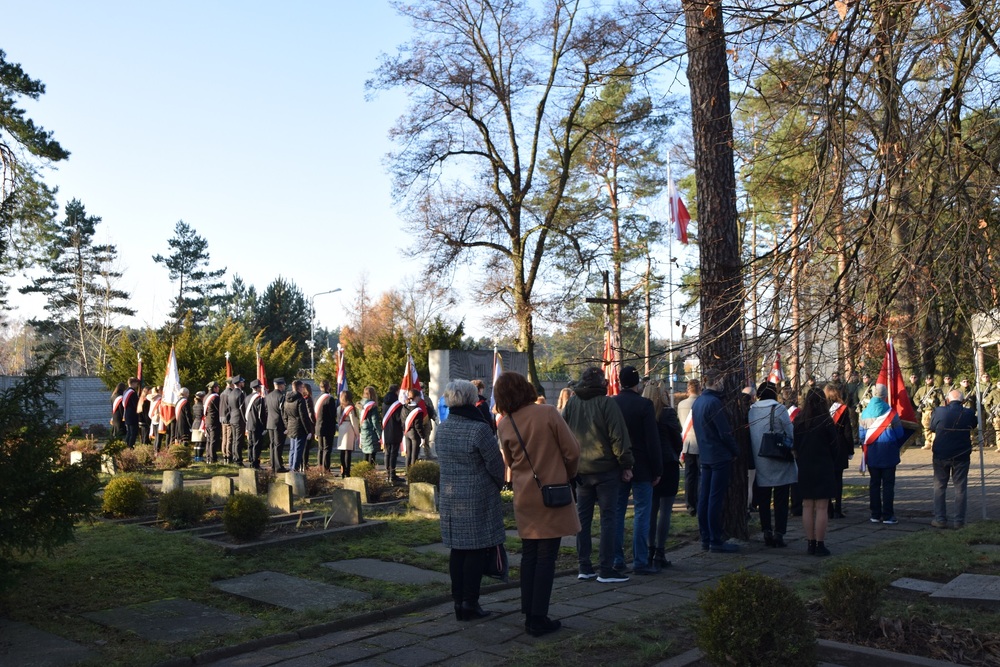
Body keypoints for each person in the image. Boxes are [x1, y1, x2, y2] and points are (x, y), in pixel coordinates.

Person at [495, 372, 580, 637]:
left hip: (525, 495)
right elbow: (573, 451)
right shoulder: (548, 413)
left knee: (530, 555)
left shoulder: (505, 424)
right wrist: (566, 473)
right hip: (551, 492)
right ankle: (538, 617)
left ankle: (529, 612)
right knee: (547, 558)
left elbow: (509, 462)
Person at [437, 380, 507, 623]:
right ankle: (470, 602)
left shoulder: (442, 429)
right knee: (476, 551)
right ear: (471, 398)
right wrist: (499, 485)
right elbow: (496, 465)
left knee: (458, 551)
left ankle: (458, 602)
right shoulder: (479, 429)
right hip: (478, 496)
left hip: (450, 496)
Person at [561, 366, 633, 583]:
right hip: (605, 470)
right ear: (601, 382)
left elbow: (564, 433)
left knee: (582, 520)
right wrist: (626, 464)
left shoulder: (572, 402)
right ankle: (606, 568)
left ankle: (584, 567)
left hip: (581, 471)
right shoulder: (606, 403)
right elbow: (618, 436)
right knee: (608, 519)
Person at [611, 366, 663, 575]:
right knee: (642, 513)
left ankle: (617, 559)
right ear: (637, 383)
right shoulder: (644, 405)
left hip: (618, 464)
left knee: (617, 513)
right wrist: (657, 469)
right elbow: (652, 439)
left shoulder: (612, 403)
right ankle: (640, 561)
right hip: (642, 465)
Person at [692, 368, 740, 553]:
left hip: (705, 453)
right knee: (714, 498)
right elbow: (724, 432)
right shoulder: (714, 403)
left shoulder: (699, 402)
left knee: (705, 497)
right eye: (721, 380)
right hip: (719, 454)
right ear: (716, 381)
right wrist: (735, 450)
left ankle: (706, 536)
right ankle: (715, 539)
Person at [747, 381, 796, 548]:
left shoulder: (751, 411)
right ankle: (779, 533)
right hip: (779, 458)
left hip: (760, 459)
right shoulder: (780, 409)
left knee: (764, 499)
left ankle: (766, 530)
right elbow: (790, 432)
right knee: (781, 498)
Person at [793, 388, 838, 556]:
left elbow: (795, 446)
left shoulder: (799, 421)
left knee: (806, 505)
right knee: (821, 507)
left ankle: (810, 543)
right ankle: (820, 543)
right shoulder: (826, 421)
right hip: (823, 465)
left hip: (805, 466)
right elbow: (835, 446)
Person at [642, 380, 682, 568]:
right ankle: (660, 551)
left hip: (649, 465)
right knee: (666, 510)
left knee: (651, 509)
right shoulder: (667, 414)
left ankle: (649, 550)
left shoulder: (644, 413)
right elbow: (677, 438)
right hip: (668, 463)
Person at [859, 383, 906, 525]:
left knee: (874, 484)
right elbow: (899, 434)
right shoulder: (891, 413)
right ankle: (888, 515)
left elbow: (861, 437)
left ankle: (874, 514)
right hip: (889, 454)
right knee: (888, 485)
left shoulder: (864, 413)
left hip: (872, 453)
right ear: (885, 396)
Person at [929, 389, 977, 529]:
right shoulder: (968, 413)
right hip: (961, 455)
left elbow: (932, 427)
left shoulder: (939, 411)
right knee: (960, 488)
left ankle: (940, 519)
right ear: (962, 401)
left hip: (941, 454)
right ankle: (959, 521)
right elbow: (973, 425)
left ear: (947, 400)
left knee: (939, 487)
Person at [825, 383, 854, 519]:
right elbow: (848, 431)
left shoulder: (823, 409)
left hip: (826, 446)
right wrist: (850, 450)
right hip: (840, 445)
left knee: (828, 478)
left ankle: (828, 508)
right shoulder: (842, 409)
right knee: (838, 479)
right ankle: (838, 508)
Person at [677, 379, 701, 516]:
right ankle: (698, 502)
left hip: (687, 443)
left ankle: (689, 503)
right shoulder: (702, 402)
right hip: (700, 444)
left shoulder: (681, 404)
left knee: (689, 476)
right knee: (700, 476)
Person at [284, 380, 314, 473]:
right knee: (298, 450)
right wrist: (309, 430)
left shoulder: (287, 399)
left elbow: (285, 415)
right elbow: (303, 416)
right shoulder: (300, 400)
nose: (303, 389)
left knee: (292, 449)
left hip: (291, 426)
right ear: (299, 388)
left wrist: (287, 426)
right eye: (302, 388)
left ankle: (291, 466)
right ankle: (295, 469)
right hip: (299, 427)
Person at [914, 374, 943, 451]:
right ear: (925, 380)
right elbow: (915, 398)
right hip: (925, 411)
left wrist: (937, 402)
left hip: (934, 411)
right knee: (926, 427)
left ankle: (934, 442)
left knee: (934, 427)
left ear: (933, 379)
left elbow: (942, 400)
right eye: (927, 379)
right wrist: (919, 404)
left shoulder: (936, 389)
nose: (928, 380)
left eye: (930, 379)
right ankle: (927, 442)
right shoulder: (921, 389)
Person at [382, 385, 404, 483]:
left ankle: (387, 474)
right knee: (393, 453)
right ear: (397, 391)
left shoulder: (384, 403)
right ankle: (392, 475)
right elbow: (398, 418)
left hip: (386, 430)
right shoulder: (397, 404)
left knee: (387, 453)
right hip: (395, 430)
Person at [402, 388, 428, 471]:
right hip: (414, 433)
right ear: (416, 397)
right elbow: (418, 425)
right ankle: (413, 473)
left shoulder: (404, 407)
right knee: (414, 455)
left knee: (408, 454)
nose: (420, 398)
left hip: (406, 432)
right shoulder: (418, 410)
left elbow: (402, 420)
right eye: (419, 397)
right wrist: (423, 437)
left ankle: (407, 471)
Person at [314, 380, 337, 473]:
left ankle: (320, 468)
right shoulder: (329, 399)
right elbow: (332, 414)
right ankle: (326, 469)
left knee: (320, 448)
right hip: (328, 427)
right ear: (328, 387)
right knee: (327, 449)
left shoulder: (316, 398)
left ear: (320, 387)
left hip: (318, 426)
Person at [265, 378, 288, 472]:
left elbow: (266, 410)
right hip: (279, 423)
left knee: (272, 444)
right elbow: (283, 412)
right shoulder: (281, 396)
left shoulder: (268, 396)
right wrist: (286, 425)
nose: (284, 386)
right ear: (280, 385)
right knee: (278, 445)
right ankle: (278, 466)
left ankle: (273, 464)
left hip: (270, 422)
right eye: (283, 385)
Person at [225, 376, 247, 466]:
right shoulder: (240, 393)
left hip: (232, 418)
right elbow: (242, 408)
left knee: (234, 439)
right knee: (238, 440)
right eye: (242, 382)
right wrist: (245, 419)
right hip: (239, 419)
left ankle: (235, 457)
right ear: (239, 383)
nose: (243, 383)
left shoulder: (230, 393)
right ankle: (238, 459)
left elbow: (229, 408)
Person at [245, 380, 266, 469]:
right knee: (256, 444)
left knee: (250, 444)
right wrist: (263, 425)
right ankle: (255, 463)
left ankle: (250, 460)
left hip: (248, 423)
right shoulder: (259, 398)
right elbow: (261, 414)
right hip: (256, 425)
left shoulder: (247, 397)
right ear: (257, 388)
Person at [337, 389, 359, 477]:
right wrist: (357, 432)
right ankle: (347, 471)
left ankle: (342, 471)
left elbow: (338, 419)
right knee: (348, 452)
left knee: (342, 451)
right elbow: (353, 421)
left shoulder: (339, 408)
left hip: (342, 427)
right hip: (349, 427)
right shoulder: (350, 408)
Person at [359, 386, 383, 466]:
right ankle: (370, 473)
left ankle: (364, 471)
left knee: (365, 453)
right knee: (372, 454)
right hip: (371, 432)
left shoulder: (360, 404)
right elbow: (375, 422)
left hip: (363, 431)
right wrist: (380, 435)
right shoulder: (372, 406)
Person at [203, 382, 222, 465]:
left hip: (207, 420)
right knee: (213, 440)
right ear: (214, 388)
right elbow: (219, 409)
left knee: (208, 440)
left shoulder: (205, 397)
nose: (218, 388)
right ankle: (213, 458)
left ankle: (208, 457)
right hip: (214, 421)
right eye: (217, 387)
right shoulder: (215, 397)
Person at [123, 377, 140, 447]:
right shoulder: (132, 392)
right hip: (132, 415)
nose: (137, 385)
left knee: (129, 432)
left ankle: (126, 446)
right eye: (136, 383)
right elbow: (135, 404)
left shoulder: (125, 391)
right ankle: (130, 447)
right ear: (133, 383)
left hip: (127, 414)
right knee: (133, 433)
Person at [191, 391, 205, 462]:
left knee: (196, 442)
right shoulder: (202, 406)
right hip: (200, 424)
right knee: (201, 442)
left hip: (195, 424)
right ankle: (200, 457)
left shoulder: (194, 406)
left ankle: (196, 457)